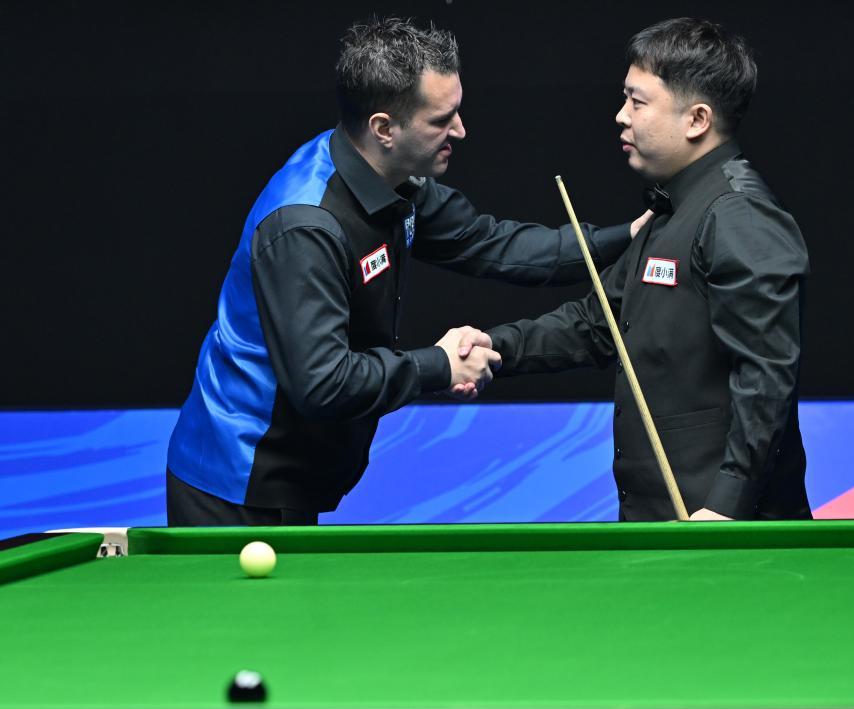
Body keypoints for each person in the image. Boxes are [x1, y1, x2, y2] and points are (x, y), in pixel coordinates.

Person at [165, 18, 651, 527]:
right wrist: (439, 366)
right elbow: (323, 383)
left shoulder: (393, 179)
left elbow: (493, 244)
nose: (460, 130)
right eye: (441, 119)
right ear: (384, 128)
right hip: (236, 480)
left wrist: (626, 237)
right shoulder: (306, 226)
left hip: (293, 468)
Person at [461, 18, 812, 521]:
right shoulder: (671, 212)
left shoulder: (739, 215)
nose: (620, 116)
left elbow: (766, 374)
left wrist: (726, 509)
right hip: (665, 524)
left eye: (637, 101)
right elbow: (595, 324)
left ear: (697, 120)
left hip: (722, 532)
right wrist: (495, 347)